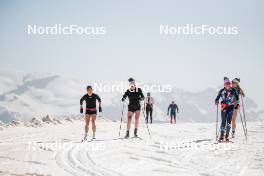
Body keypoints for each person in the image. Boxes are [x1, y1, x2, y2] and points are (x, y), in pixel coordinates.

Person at [215, 77, 239, 142]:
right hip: (223, 107)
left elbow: (237, 99)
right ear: (224, 84)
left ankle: (227, 136)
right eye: (226, 83)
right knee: (223, 122)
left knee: (228, 122)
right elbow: (217, 98)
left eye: (229, 83)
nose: (228, 84)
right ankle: (221, 136)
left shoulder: (233, 90)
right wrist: (216, 101)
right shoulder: (222, 91)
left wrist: (236, 104)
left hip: (231, 107)